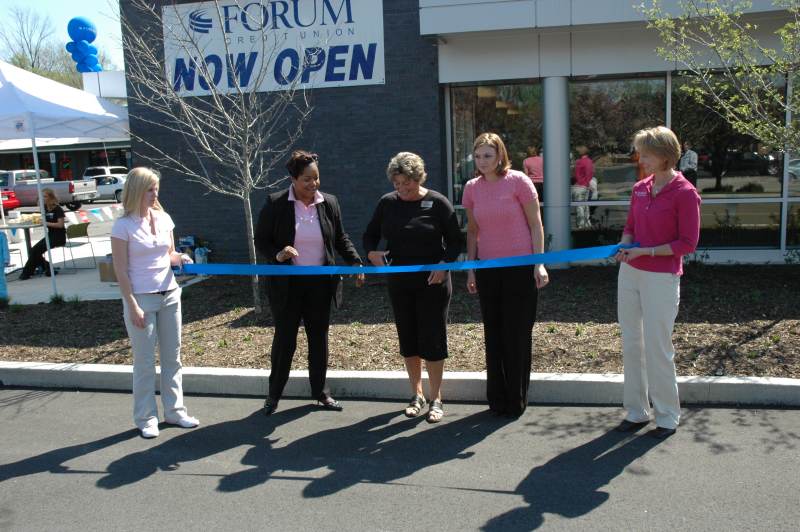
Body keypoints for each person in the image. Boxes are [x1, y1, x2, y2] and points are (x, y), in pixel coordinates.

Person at [255, 150, 364, 416]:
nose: (313, 184)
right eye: (306, 179)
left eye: (316, 178)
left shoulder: (329, 203)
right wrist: (278, 255)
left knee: (318, 339)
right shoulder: (276, 203)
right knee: (285, 341)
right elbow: (262, 240)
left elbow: (339, 237)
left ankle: (321, 393)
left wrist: (355, 261)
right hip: (287, 285)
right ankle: (274, 395)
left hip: (320, 285)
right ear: (293, 179)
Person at [614, 126, 701, 439]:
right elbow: (630, 226)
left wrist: (645, 251)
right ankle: (636, 411)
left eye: (647, 154)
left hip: (661, 278)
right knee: (631, 343)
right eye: (640, 152)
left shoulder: (685, 193)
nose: (641, 159)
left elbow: (687, 243)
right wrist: (626, 247)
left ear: (666, 155)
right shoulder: (640, 188)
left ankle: (667, 415)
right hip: (631, 273)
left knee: (657, 346)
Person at [364, 152, 461, 423]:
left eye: (406, 183)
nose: (401, 189)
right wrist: (372, 253)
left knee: (432, 339)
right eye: (397, 183)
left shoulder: (438, 202)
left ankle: (436, 397)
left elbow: (455, 242)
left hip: (434, 282)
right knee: (409, 338)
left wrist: (444, 265)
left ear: (418, 178)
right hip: (400, 282)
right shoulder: (387, 203)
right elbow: (370, 235)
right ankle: (416, 394)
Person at [463, 133, 549, 418]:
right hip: (488, 270)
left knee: (517, 334)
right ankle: (496, 399)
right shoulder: (471, 188)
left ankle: (516, 399)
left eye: (488, 155)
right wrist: (471, 268)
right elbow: (473, 231)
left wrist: (539, 263)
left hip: (520, 269)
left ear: (500, 156)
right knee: (494, 335)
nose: (482, 161)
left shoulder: (519, 182)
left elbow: (536, 225)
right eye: (478, 156)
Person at [111, 168, 198, 439]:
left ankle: (174, 411)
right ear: (137, 190)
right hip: (141, 299)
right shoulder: (122, 226)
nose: (155, 194)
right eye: (150, 189)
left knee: (173, 358)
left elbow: (169, 254)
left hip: (170, 294)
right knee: (145, 362)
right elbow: (121, 270)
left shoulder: (164, 218)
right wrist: (132, 305)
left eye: (156, 188)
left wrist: (181, 257)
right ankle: (146, 417)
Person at [18, 188, 65, 280]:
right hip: (50, 234)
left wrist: (46, 223)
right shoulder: (44, 208)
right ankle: (48, 268)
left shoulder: (57, 209)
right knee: (33, 250)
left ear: (51, 197)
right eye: (41, 196)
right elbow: (42, 217)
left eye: (45, 196)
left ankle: (26, 273)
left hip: (59, 236)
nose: (43, 198)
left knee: (36, 250)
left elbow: (60, 225)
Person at [572, 146, 593, 228]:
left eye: (579, 149)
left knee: (579, 206)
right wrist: (587, 183)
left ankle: (581, 224)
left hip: (580, 186)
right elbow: (589, 173)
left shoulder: (580, 162)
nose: (578, 150)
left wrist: (581, 182)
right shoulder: (589, 161)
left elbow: (576, 174)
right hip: (586, 186)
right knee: (585, 205)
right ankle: (587, 223)